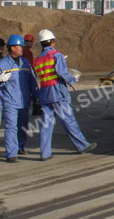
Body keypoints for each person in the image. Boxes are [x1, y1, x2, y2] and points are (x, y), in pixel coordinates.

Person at [33, 29, 96, 160]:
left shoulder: (37, 60)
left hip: (44, 92)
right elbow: (61, 72)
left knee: (46, 123)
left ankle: (45, 153)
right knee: (68, 119)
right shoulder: (56, 55)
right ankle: (82, 145)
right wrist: (73, 79)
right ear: (51, 42)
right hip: (56, 91)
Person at [0, 34, 38, 162]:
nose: (22, 48)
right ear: (12, 48)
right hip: (10, 101)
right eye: (20, 46)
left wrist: (36, 96)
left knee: (23, 126)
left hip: (24, 101)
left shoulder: (25, 63)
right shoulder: (3, 64)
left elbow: (32, 80)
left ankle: (20, 146)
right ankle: (11, 154)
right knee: (11, 127)